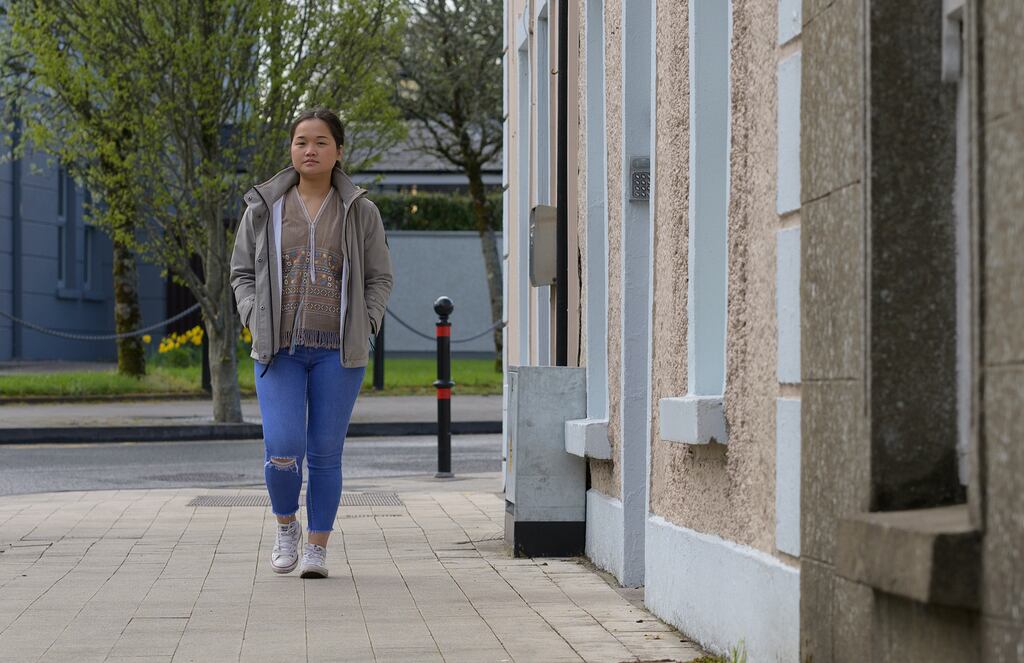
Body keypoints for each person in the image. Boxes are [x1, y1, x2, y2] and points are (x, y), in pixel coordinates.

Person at [230, 108, 393, 578]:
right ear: (291, 149)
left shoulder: (360, 210)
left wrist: (367, 322)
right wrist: (253, 315)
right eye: (302, 141)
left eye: (321, 142)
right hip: (278, 350)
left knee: (324, 453)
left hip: (338, 352)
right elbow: (241, 273)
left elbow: (380, 277)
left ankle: (317, 547)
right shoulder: (264, 208)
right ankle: (287, 526)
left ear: (338, 151)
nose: (310, 150)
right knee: (282, 449)